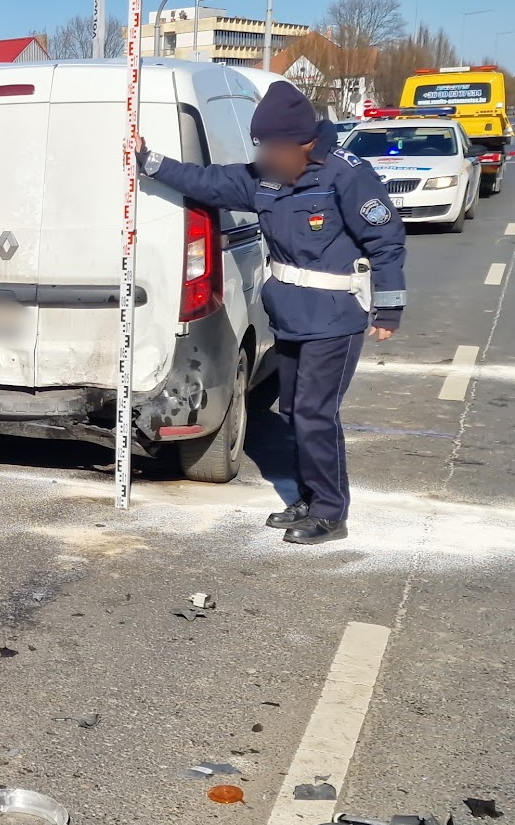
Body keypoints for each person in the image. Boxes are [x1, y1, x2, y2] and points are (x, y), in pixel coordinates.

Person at [139, 82, 406, 545]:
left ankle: (329, 512)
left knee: (315, 412)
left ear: (303, 143)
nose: (266, 154)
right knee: (294, 410)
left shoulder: (347, 175)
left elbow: (386, 240)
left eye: (273, 146)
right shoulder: (265, 175)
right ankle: (308, 495)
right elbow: (209, 182)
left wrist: (388, 308)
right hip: (289, 312)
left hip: (334, 316)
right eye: (261, 145)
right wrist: (150, 162)